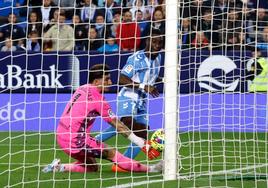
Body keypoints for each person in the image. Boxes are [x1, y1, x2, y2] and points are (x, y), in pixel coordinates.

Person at [42, 64, 162, 173]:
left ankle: (58, 167)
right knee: (112, 153)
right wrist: (141, 143)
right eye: (106, 79)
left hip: (61, 135)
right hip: (75, 140)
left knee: (92, 167)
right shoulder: (98, 100)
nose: (110, 82)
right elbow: (118, 126)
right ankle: (153, 169)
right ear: (96, 81)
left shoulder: (82, 88)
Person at [95, 29, 163, 172]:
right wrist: (144, 86)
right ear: (147, 41)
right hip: (129, 96)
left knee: (138, 132)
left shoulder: (159, 58)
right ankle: (89, 144)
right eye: (154, 41)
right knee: (127, 124)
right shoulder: (136, 58)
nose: (157, 45)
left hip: (142, 100)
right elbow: (122, 79)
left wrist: (163, 79)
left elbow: (149, 75)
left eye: (160, 42)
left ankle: (121, 164)